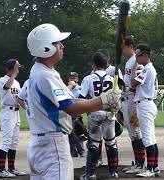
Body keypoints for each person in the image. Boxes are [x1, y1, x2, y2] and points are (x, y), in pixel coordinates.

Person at [26, 23, 122, 180]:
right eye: (57, 43)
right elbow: (71, 107)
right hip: (52, 144)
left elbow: (70, 100)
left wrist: (102, 102)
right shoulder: (45, 75)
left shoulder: (39, 71)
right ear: (45, 48)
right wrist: (104, 99)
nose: (62, 46)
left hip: (41, 143)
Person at [79, 52, 119, 180]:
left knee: (94, 145)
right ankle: (113, 172)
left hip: (95, 113)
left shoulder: (88, 78)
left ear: (93, 64)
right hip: (109, 113)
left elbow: (81, 98)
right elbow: (116, 100)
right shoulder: (112, 79)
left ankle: (90, 174)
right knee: (111, 143)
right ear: (106, 64)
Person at [131, 44, 160, 177]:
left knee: (148, 138)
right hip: (147, 103)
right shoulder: (149, 69)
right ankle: (155, 167)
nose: (136, 58)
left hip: (145, 105)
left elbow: (133, 83)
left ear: (145, 55)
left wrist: (133, 69)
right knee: (151, 138)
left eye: (138, 55)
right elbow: (135, 87)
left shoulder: (147, 69)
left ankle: (150, 169)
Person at [0, 59, 26, 178]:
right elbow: (6, 87)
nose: (18, 70)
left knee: (14, 142)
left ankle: (12, 168)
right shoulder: (2, 79)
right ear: (11, 68)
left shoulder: (17, 83)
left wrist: (28, 109)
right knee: (6, 141)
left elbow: (20, 99)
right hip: (7, 113)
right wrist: (13, 74)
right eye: (16, 67)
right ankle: (1, 170)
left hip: (16, 113)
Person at [121, 36, 146, 174]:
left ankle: (141, 164)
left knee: (136, 131)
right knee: (131, 132)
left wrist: (129, 88)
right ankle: (137, 162)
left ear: (131, 46)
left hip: (132, 98)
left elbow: (137, 81)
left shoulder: (136, 60)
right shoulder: (129, 62)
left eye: (124, 47)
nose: (122, 51)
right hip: (126, 98)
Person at [67, 71, 85, 157]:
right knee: (71, 133)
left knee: (75, 132)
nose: (72, 79)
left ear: (77, 79)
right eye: (71, 78)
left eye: (74, 78)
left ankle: (80, 150)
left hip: (77, 113)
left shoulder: (81, 89)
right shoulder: (67, 89)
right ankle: (74, 151)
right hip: (68, 113)